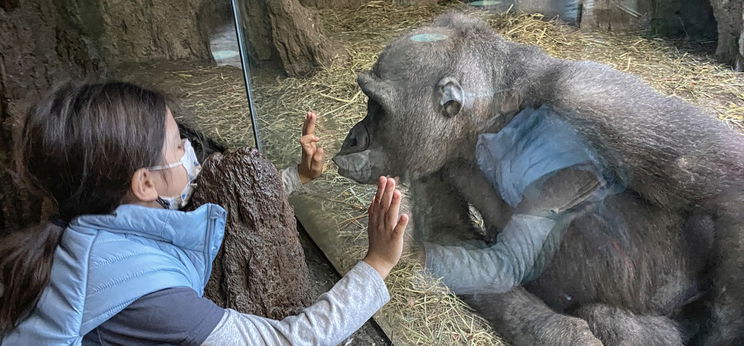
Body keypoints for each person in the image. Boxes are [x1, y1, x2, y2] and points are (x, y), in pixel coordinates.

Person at [0, 82, 409, 345]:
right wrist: (377, 265)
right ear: (145, 183)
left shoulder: (96, 223)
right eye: (179, 145)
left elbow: (215, 206)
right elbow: (288, 341)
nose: (189, 154)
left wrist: (295, 178)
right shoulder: (149, 296)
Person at [416, 105, 625, 295]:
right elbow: (503, 270)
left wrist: (419, 256)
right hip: (498, 128)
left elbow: (503, 266)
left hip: (493, 132)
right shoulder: (575, 184)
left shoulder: (562, 197)